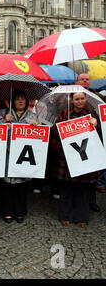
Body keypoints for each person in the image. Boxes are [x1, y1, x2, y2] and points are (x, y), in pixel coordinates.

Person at [51, 92, 100, 227]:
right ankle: (64, 216)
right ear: (72, 100)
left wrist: (96, 124)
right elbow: (54, 131)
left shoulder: (91, 115)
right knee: (66, 189)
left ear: (85, 99)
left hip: (85, 157)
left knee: (83, 190)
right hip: (67, 157)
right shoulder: (64, 114)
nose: (79, 101)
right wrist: (64, 125)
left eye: (82, 98)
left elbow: (100, 134)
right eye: (77, 99)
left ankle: (82, 218)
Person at [0, 90, 38, 224]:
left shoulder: (33, 115)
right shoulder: (4, 113)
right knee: (7, 186)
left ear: (27, 101)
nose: (20, 101)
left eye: (23, 99)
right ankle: (7, 211)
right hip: (7, 154)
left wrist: (36, 126)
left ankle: (20, 212)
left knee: (21, 186)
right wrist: (4, 121)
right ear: (12, 101)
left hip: (24, 156)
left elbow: (40, 136)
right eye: (17, 99)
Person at [76, 73, 103, 212]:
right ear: (77, 81)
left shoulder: (97, 97)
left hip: (93, 139)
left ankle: (91, 201)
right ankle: (76, 201)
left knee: (91, 174)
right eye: (82, 79)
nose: (85, 81)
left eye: (87, 79)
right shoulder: (69, 96)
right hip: (75, 140)